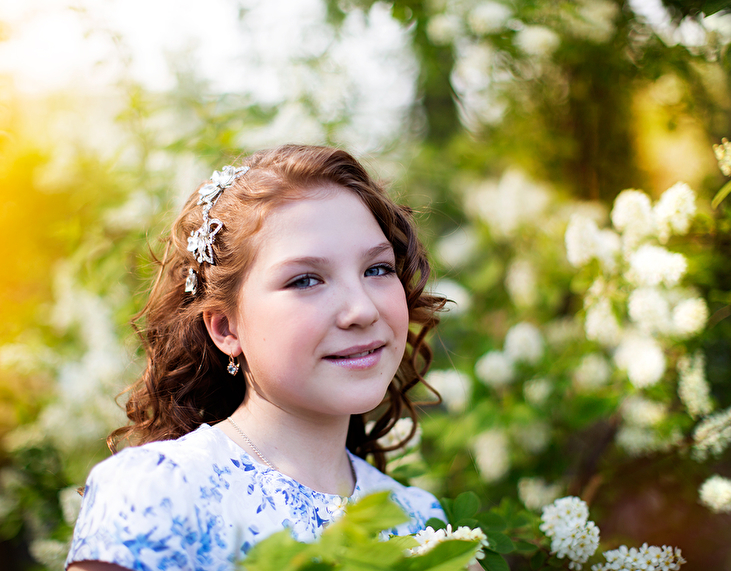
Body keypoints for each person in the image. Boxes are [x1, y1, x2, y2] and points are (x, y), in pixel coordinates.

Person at [66, 145, 447, 571]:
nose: (362, 310)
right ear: (226, 328)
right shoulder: (157, 493)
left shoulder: (420, 520)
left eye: (377, 269)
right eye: (306, 280)